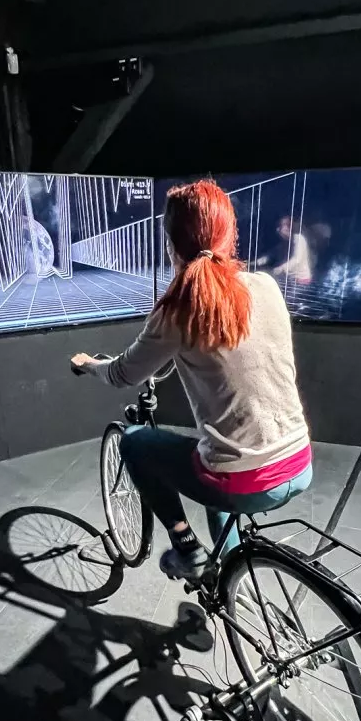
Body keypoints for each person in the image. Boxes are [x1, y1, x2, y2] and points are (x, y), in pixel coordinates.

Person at [71, 180, 312, 580]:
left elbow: (121, 374)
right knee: (215, 458)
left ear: (172, 243)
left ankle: (187, 549)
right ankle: (228, 579)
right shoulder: (266, 286)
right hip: (299, 461)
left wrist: (87, 363)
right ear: (229, 235)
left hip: (245, 480)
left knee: (134, 442)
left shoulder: (176, 311)